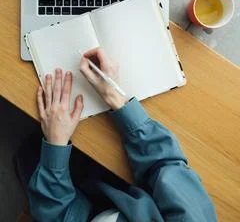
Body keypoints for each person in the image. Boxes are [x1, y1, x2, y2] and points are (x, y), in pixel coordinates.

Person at [26, 48, 217, 222]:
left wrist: (55, 145)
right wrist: (116, 98)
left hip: (79, 200)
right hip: (119, 189)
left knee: (26, 153)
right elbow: (165, 166)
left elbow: (54, 215)